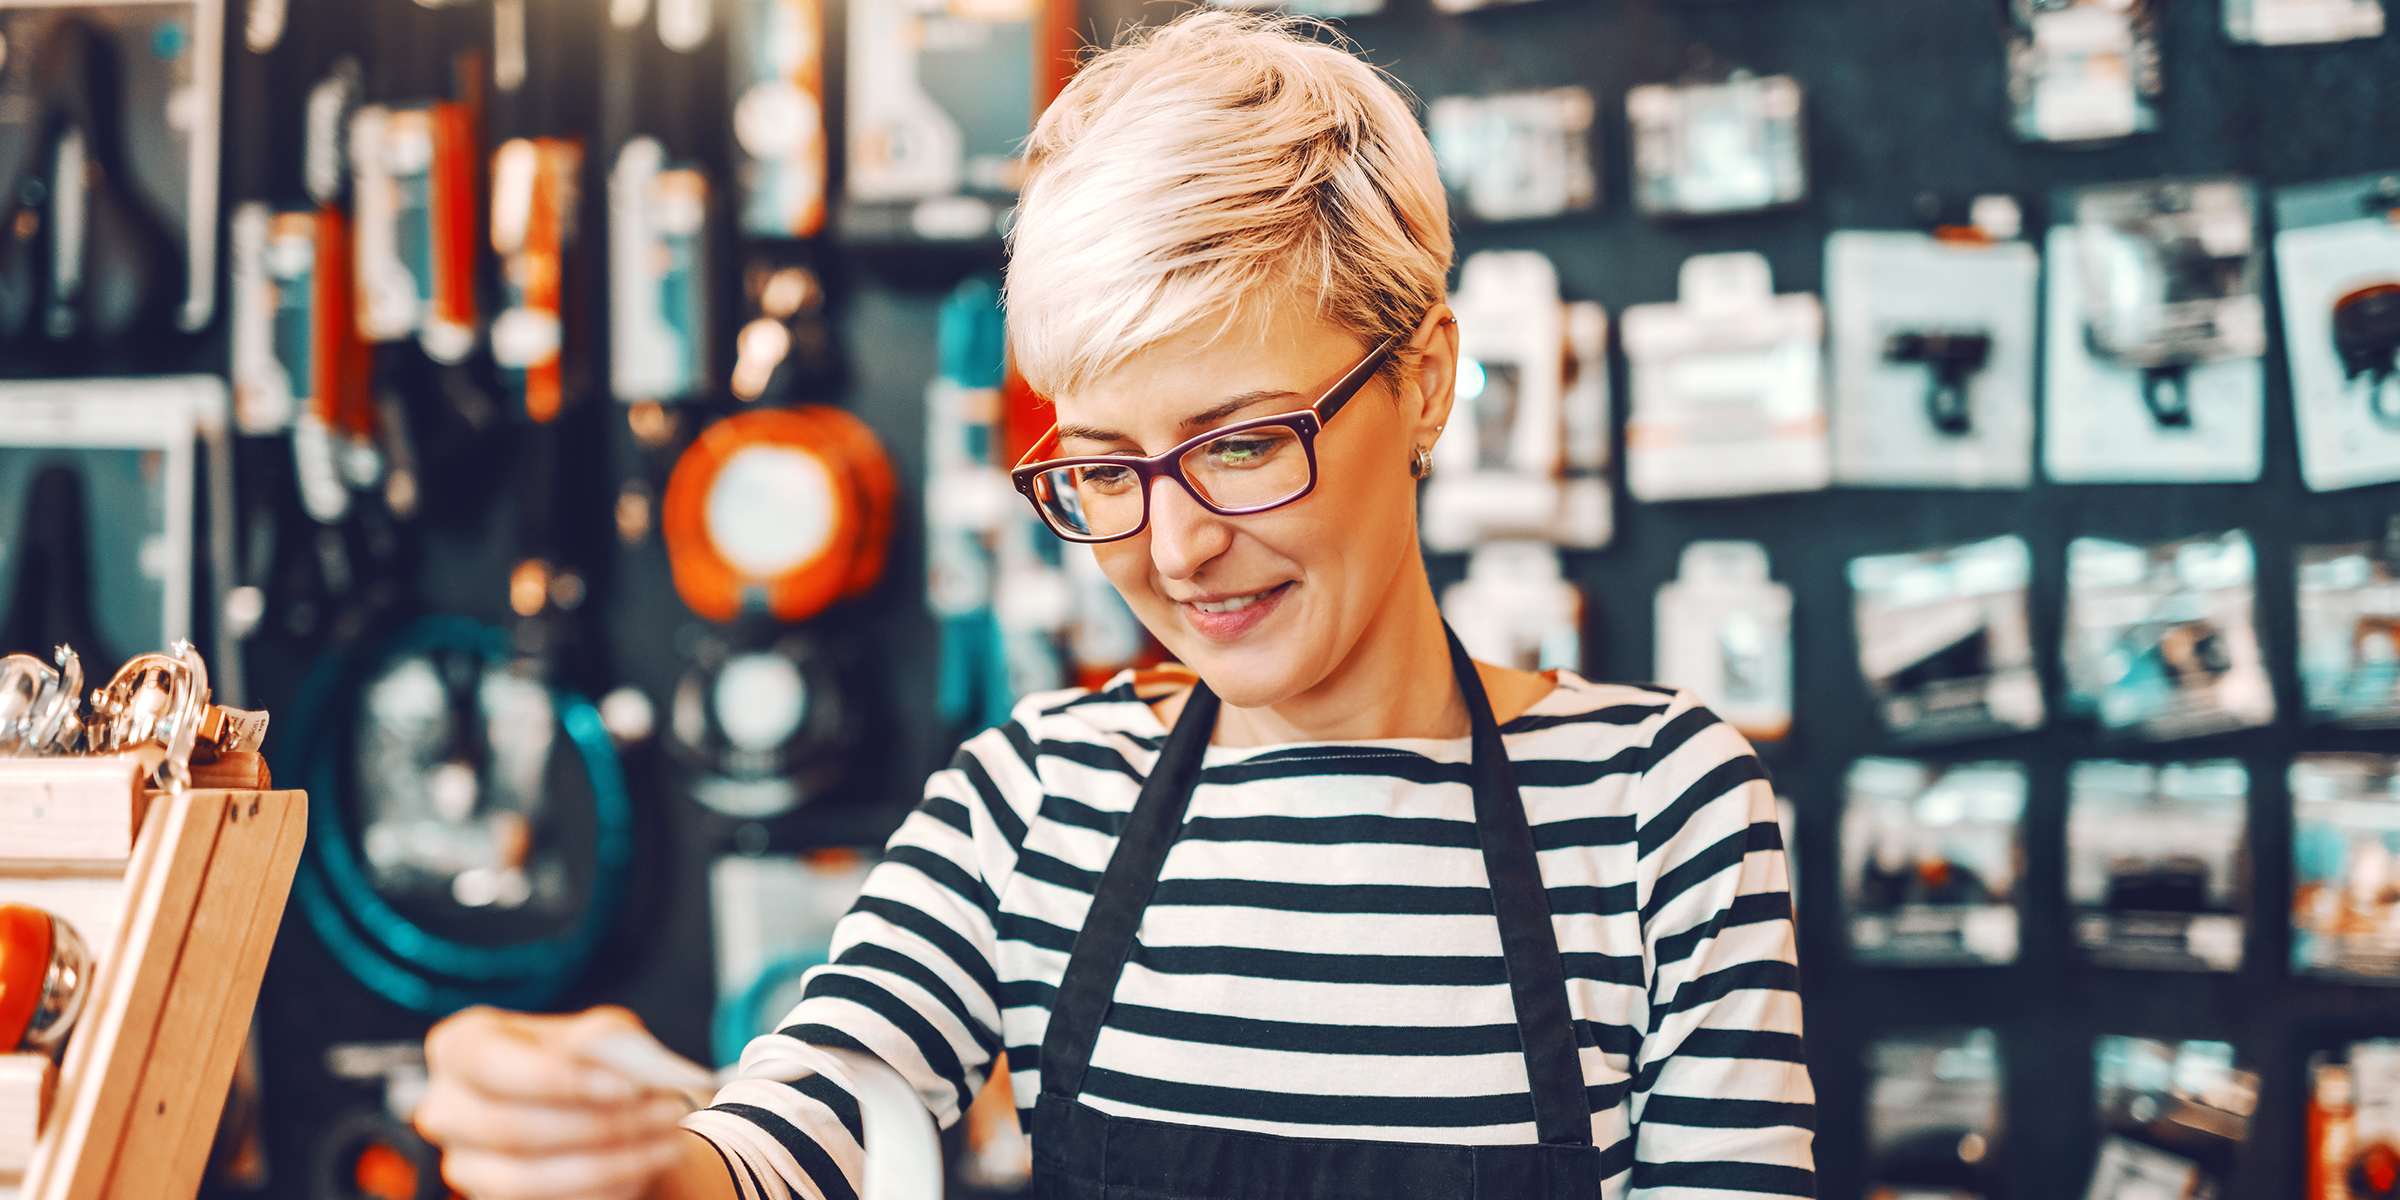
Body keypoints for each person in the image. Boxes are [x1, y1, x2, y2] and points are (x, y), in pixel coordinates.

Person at [413, 11, 1813, 1199]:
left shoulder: (1655, 809)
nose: (1178, 547)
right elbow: (808, 1128)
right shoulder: (1034, 802)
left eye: (1245, 444)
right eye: (1103, 471)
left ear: (1427, 380)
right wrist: (636, 1162)